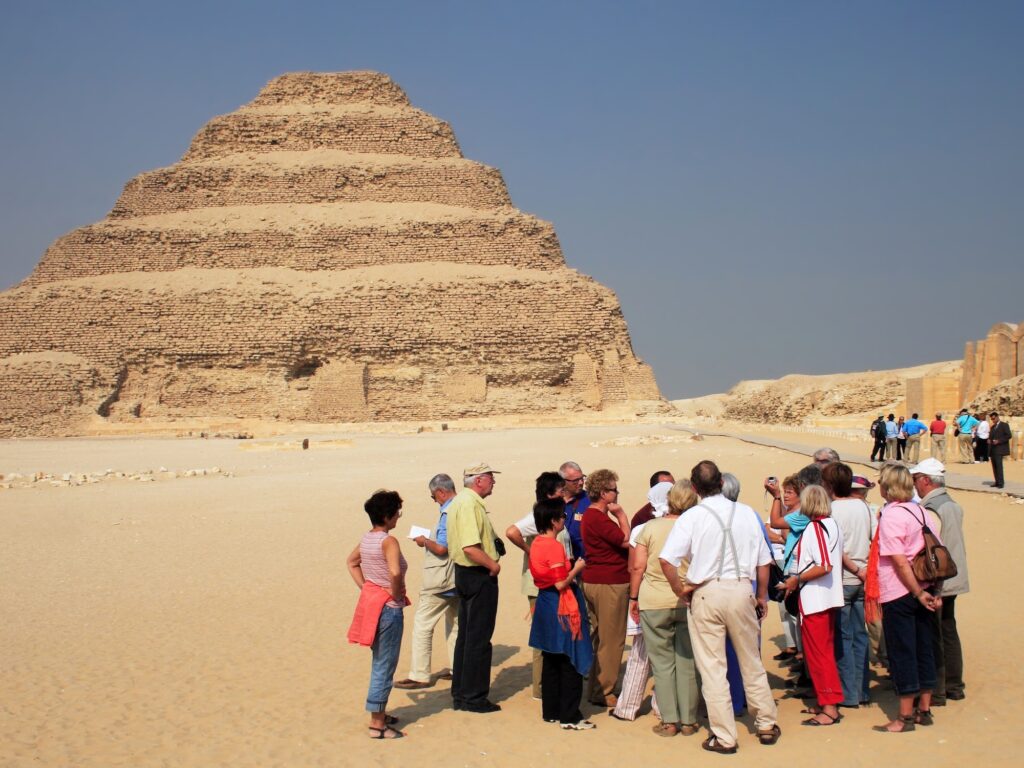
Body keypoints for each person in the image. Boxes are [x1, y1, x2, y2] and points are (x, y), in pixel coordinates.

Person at [660, 461, 781, 754]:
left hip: (706, 592)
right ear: (721, 482)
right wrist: (761, 596)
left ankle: (724, 735)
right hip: (741, 589)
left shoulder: (692, 517)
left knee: (713, 666)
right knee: (750, 659)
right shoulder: (747, 514)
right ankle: (765, 722)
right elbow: (763, 561)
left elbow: (667, 560)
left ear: (695, 487)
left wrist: (681, 589)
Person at [866, 464, 942, 732]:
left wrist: (917, 592)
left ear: (888, 486)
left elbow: (899, 561)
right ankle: (924, 709)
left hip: (901, 591)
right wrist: (933, 591)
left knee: (903, 652)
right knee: (924, 648)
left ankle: (904, 717)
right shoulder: (922, 512)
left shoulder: (893, 516)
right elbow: (938, 553)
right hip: (926, 588)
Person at [630, 479, 700, 737]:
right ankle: (690, 720)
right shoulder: (694, 526)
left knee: (662, 663)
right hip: (686, 598)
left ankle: (670, 720)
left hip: (654, 601)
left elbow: (638, 567)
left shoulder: (649, 527)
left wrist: (633, 598)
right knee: (687, 661)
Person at [346, 490, 410, 740]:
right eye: (397, 513)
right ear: (386, 515)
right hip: (387, 608)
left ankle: (380, 712)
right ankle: (377, 723)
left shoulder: (367, 538)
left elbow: (351, 563)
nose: (398, 517)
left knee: (380, 661)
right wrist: (393, 594)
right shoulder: (388, 541)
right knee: (385, 664)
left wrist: (367, 587)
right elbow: (395, 572)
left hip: (374, 603)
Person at [528, 497, 596, 730]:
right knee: (569, 657)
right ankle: (570, 716)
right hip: (561, 604)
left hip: (545, 604)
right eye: (562, 517)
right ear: (554, 521)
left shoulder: (537, 542)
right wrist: (577, 567)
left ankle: (552, 711)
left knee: (551, 657)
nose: (565, 520)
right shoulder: (553, 545)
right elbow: (560, 584)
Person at [505, 471, 572, 700]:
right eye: (561, 490)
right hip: (540, 585)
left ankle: (553, 682)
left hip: (556, 582)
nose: (564, 493)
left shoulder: (555, 513)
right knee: (544, 635)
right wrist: (530, 550)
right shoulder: (538, 516)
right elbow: (511, 532)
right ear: (549, 493)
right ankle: (541, 687)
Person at [783, 485, 845, 726]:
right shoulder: (832, 525)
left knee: (819, 654)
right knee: (822, 652)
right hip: (826, 597)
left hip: (817, 600)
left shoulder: (816, 527)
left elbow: (824, 564)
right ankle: (826, 700)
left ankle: (829, 707)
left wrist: (796, 579)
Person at [612, 481, 672, 722]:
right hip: (678, 597)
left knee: (640, 654)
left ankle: (627, 708)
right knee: (672, 656)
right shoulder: (687, 525)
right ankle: (664, 706)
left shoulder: (641, 530)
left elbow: (634, 567)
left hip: (649, 596)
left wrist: (634, 598)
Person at [910, 458, 969, 703]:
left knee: (934, 634)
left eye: (915, 480)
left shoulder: (932, 508)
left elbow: (931, 548)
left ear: (925, 480)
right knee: (948, 629)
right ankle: (954, 685)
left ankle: (937, 689)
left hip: (939, 579)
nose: (914, 485)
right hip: (955, 575)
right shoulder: (951, 504)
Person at [394, 475, 459, 690]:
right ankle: (456, 667)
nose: (435, 500)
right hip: (458, 578)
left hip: (441, 578)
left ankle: (419, 674)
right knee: (455, 624)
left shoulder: (449, 512)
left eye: (434, 496)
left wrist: (424, 541)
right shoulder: (463, 506)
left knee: (423, 624)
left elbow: (442, 548)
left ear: (441, 492)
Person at [447, 462, 503, 713]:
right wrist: (493, 566)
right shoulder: (469, 504)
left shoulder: (460, 501)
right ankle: (474, 697)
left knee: (466, 636)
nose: (493, 482)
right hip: (477, 574)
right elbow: (470, 547)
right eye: (490, 478)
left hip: (465, 574)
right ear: (478, 480)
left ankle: (461, 693)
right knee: (479, 638)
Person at [823, 462, 873, 709]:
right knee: (860, 635)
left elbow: (835, 548)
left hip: (843, 580)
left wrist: (854, 568)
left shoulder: (831, 511)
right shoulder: (863, 507)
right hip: (862, 579)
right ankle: (862, 691)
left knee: (843, 637)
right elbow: (874, 537)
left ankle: (848, 693)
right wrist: (865, 571)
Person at [580, 469, 631, 708]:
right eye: (614, 490)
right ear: (603, 493)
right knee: (612, 639)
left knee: (601, 637)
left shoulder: (592, 516)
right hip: (608, 581)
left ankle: (597, 687)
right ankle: (604, 690)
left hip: (597, 579)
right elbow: (625, 540)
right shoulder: (598, 517)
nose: (617, 493)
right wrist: (621, 516)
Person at [560, 461, 590, 561]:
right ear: (563, 481)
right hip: (558, 562)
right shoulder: (552, 501)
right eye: (575, 481)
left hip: (583, 562)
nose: (581, 482)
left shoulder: (591, 500)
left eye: (582, 478)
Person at [988, 412, 1012, 489]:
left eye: (994, 418)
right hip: (993, 449)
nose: (993, 420)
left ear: (998, 417)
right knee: (994, 467)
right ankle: (997, 482)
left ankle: (1001, 483)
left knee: (999, 466)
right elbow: (991, 437)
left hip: (1000, 449)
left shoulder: (1004, 425)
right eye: (991, 419)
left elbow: (1008, 435)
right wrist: (989, 440)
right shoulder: (992, 427)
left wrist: (999, 441)